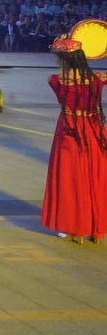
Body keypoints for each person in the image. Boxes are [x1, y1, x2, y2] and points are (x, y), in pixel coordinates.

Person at [42, 37, 107, 243]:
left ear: (64, 60)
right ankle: (95, 228)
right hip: (95, 131)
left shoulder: (57, 80)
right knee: (94, 177)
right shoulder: (98, 78)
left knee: (71, 179)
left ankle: (73, 227)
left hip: (70, 131)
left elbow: (58, 81)